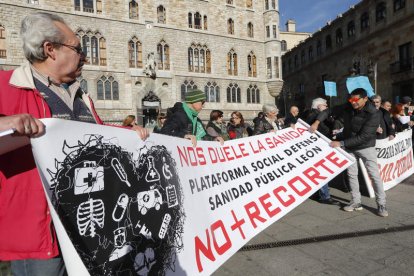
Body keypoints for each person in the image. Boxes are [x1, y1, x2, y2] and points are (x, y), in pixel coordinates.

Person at [0, 12, 148, 276]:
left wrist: (129, 132)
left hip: (89, 232)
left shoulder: (81, 96)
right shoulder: (5, 87)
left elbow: (96, 137)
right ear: (50, 49)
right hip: (41, 234)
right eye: (78, 49)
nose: (85, 57)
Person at [330, 88, 388, 217]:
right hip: (350, 147)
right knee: (352, 175)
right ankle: (356, 201)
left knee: (374, 176)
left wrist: (342, 143)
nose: (353, 102)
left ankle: (381, 204)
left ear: (365, 99)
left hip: (366, 147)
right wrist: (317, 122)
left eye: (356, 99)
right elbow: (330, 111)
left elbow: (365, 136)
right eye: (351, 99)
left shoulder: (374, 113)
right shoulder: (349, 107)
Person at [307, 98, 339, 205]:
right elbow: (323, 130)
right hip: (319, 146)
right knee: (322, 170)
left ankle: (318, 193)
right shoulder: (314, 116)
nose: (326, 107)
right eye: (325, 105)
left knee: (321, 170)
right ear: (319, 106)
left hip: (320, 146)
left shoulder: (316, 115)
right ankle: (325, 196)